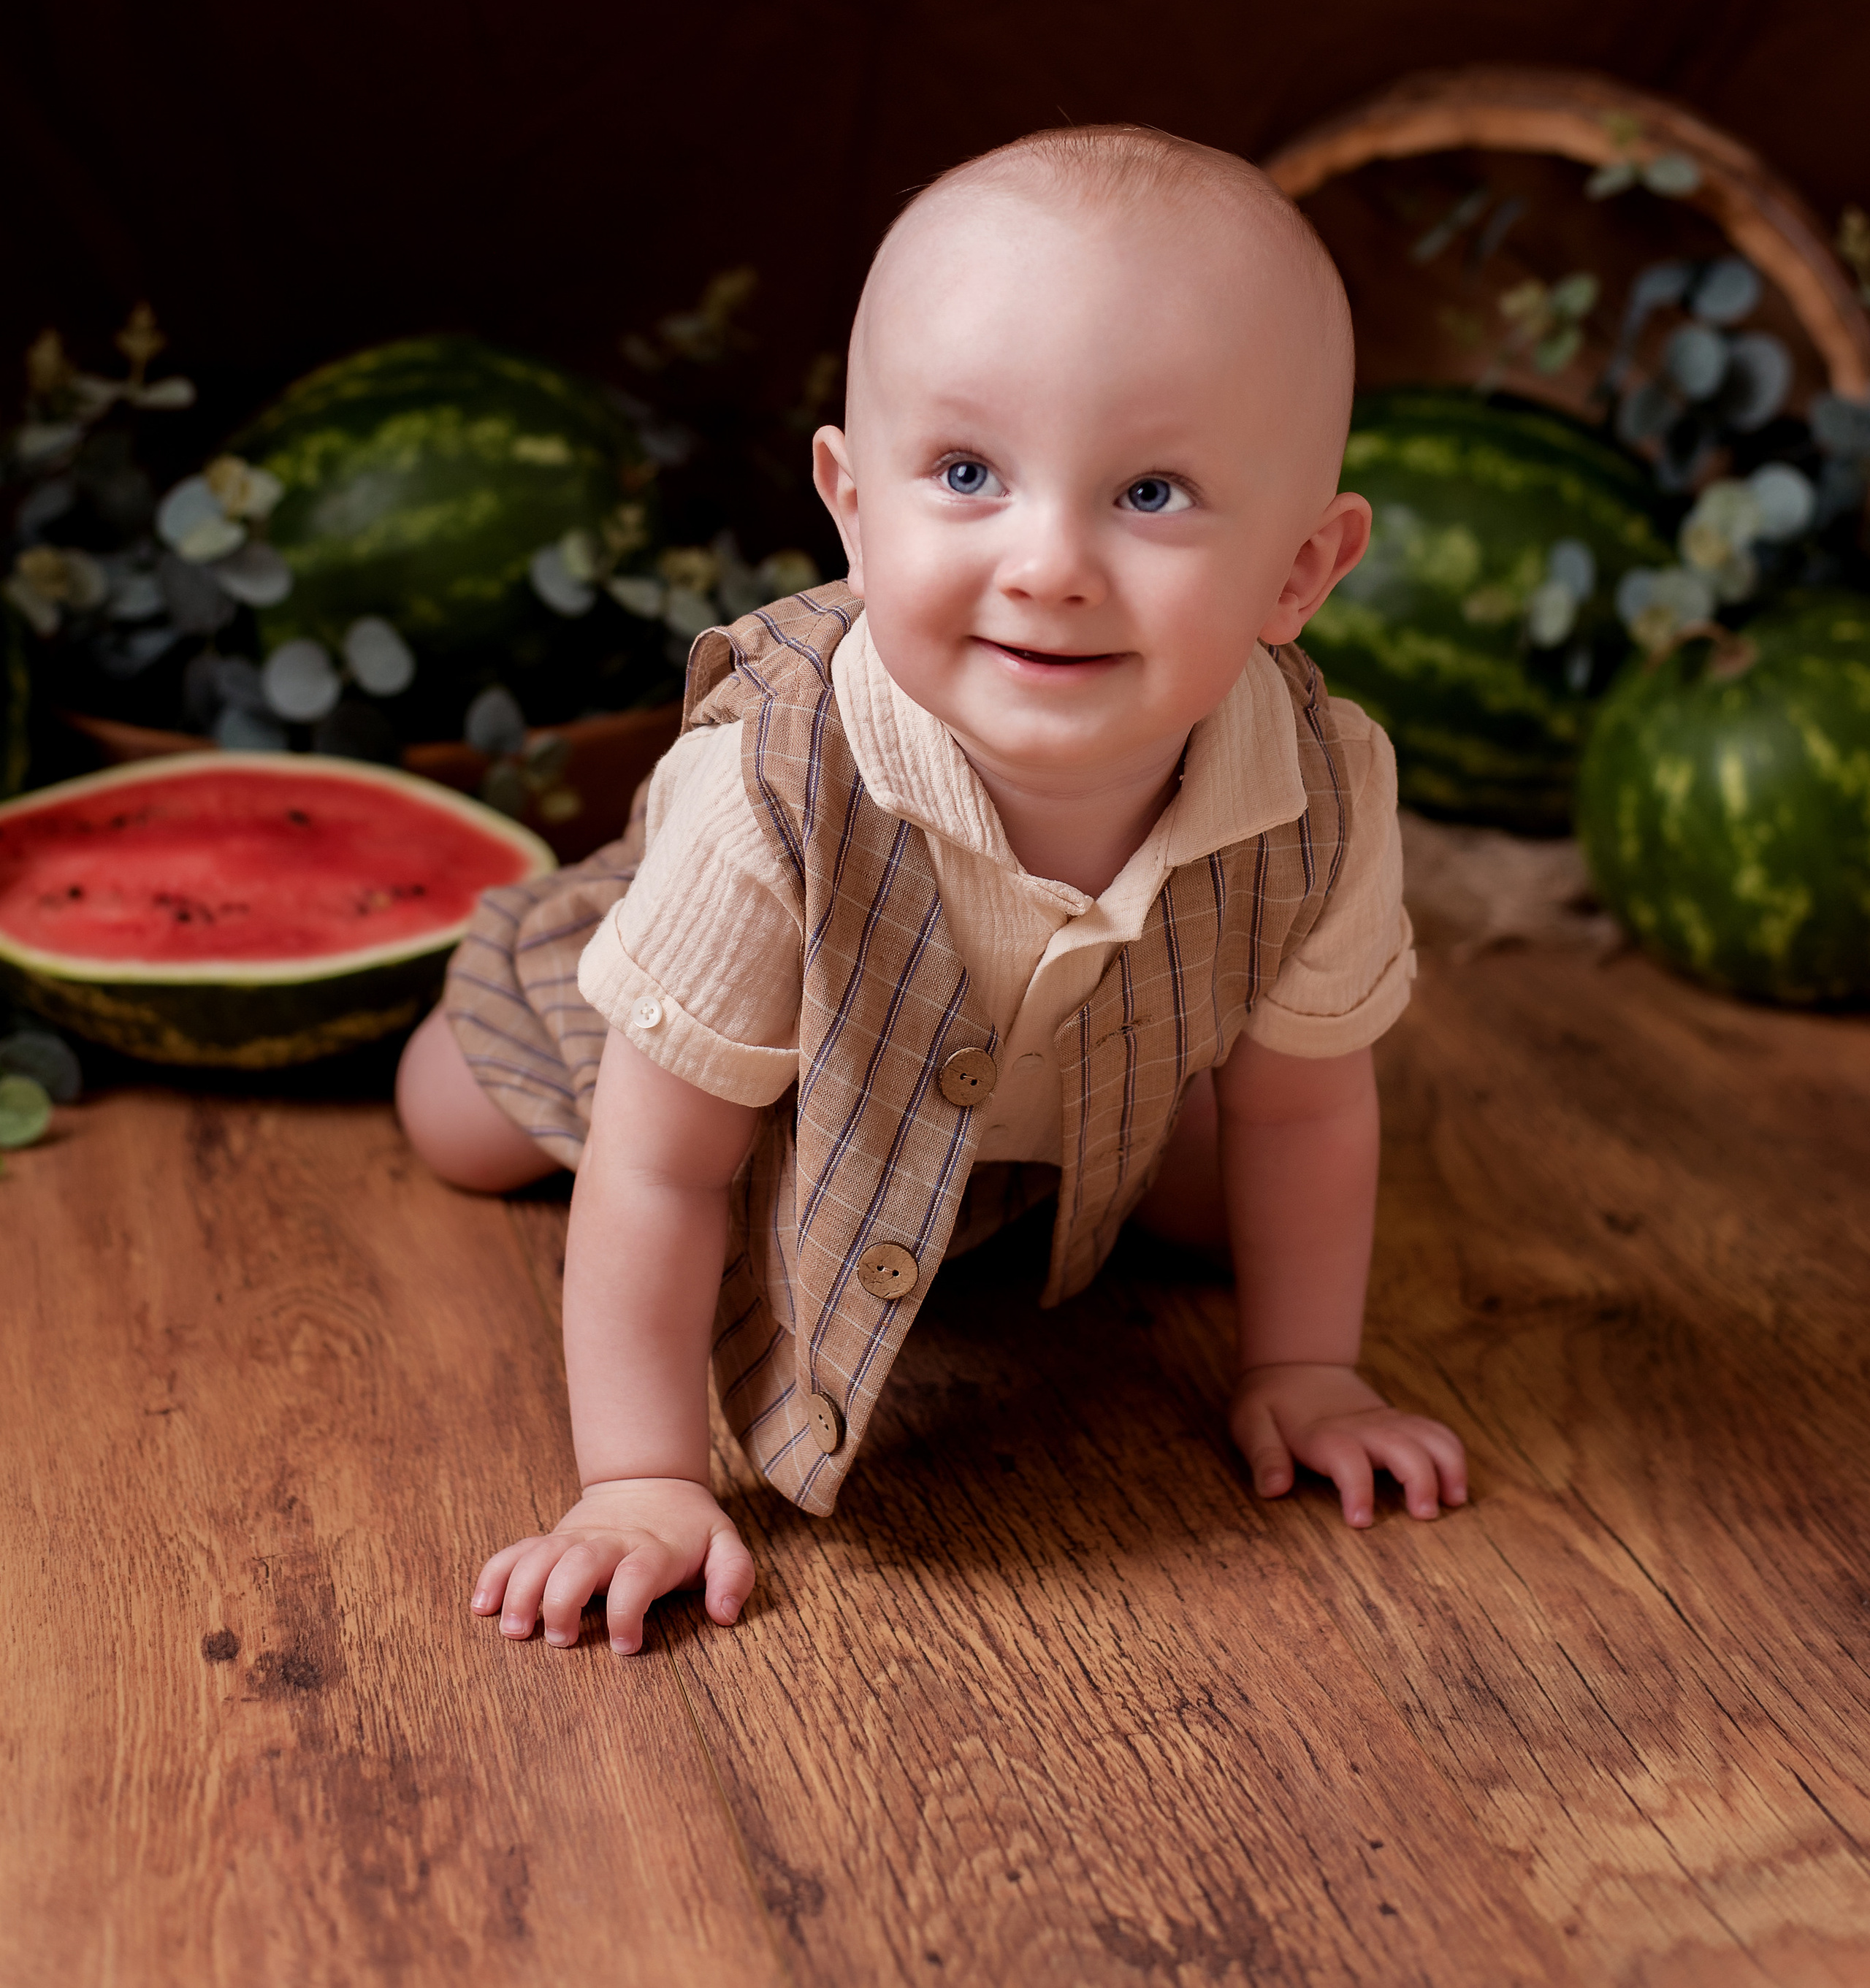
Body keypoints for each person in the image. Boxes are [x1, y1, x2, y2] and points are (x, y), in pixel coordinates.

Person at [396, 123, 1468, 1656]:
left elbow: (1305, 1109)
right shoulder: (769, 794)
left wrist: (1305, 1369)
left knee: (1234, 1192)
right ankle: (522, 989)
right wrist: (637, 1480)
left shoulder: (1321, 785)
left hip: (1068, 1095)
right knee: (468, 1126)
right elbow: (662, 1169)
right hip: (762, 1091)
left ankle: (1039, 1184)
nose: (1046, 563)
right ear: (849, 503)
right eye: (966, 473)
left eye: (1150, 493)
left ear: (1301, 571)